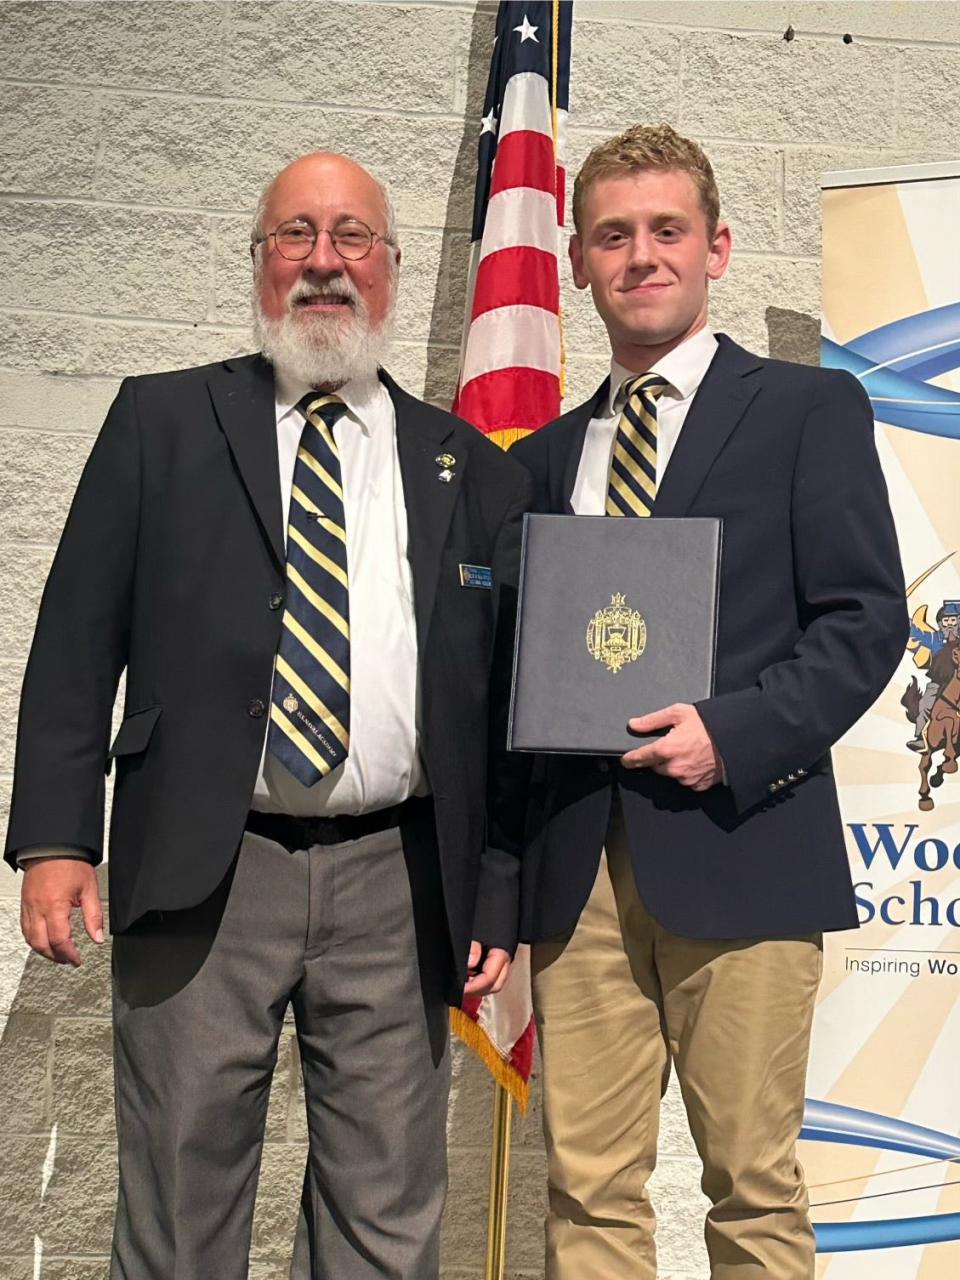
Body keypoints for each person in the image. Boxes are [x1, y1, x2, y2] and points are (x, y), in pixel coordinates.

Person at [5, 151, 531, 1280]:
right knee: (180, 1210)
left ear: (390, 270)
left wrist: (496, 885)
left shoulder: (468, 467)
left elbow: (496, 703)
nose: (325, 262)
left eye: (353, 238)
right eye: (297, 234)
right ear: (258, 261)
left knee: (385, 1223)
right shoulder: (160, 422)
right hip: (209, 870)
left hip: (401, 881)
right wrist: (54, 838)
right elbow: (73, 642)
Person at [509, 124, 908, 1280]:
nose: (642, 255)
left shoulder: (804, 411)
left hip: (744, 839)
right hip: (576, 863)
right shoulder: (540, 458)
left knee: (752, 1183)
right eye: (614, 235)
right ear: (580, 261)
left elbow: (863, 618)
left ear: (717, 246)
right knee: (587, 1187)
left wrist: (729, 731)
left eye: (667, 230)